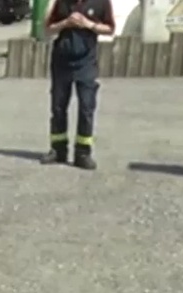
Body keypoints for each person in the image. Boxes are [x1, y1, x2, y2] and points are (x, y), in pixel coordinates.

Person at [41, 0, 115, 170]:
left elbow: (110, 29)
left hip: (86, 62)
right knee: (58, 107)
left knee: (86, 107)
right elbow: (48, 28)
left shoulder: (101, 2)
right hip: (61, 60)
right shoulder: (61, 2)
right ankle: (58, 150)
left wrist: (88, 24)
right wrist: (65, 23)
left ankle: (83, 153)